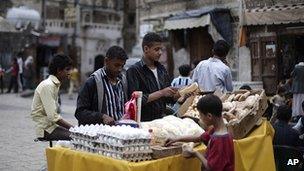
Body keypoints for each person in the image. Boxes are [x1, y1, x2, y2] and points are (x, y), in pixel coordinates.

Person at [165, 94, 234, 171]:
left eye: (201, 116)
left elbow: (211, 167)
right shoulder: (217, 130)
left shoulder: (219, 139)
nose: (200, 119)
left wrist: (195, 153)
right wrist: (177, 138)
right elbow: (199, 138)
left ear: (209, 116)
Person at [126, 32, 178, 121]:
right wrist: (161, 92)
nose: (160, 52)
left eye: (161, 49)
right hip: (143, 121)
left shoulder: (161, 69)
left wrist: (179, 95)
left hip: (161, 120)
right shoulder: (134, 70)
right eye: (157, 49)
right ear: (146, 49)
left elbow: (168, 98)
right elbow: (135, 101)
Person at [75, 46, 128, 126]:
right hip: (101, 133)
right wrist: (101, 117)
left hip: (120, 132)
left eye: (122, 66)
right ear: (106, 61)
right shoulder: (92, 82)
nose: (120, 69)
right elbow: (80, 112)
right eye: (116, 65)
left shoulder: (123, 81)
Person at [31, 54, 74, 140]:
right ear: (59, 70)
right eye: (67, 69)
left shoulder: (54, 85)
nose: (70, 73)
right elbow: (53, 117)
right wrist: (74, 128)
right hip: (45, 129)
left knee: (77, 136)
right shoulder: (48, 85)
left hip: (51, 126)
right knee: (77, 137)